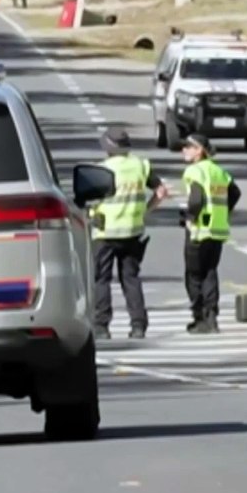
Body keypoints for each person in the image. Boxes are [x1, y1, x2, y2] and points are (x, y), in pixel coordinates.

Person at [90, 126, 167, 340]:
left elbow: (89, 201)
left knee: (101, 280)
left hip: (105, 232)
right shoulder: (140, 166)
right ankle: (138, 325)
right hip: (133, 230)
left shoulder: (101, 170)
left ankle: (102, 326)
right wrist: (145, 210)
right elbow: (161, 192)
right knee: (131, 278)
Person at [178, 134, 240, 334]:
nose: (184, 150)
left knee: (194, 276)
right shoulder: (218, 171)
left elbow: (196, 200)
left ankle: (200, 318)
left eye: (188, 146)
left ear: (199, 150)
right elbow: (235, 192)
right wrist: (223, 212)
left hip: (199, 230)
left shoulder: (194, 171)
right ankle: (212, 317)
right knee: (210, 273)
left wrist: (189, 217)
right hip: (217, 230)